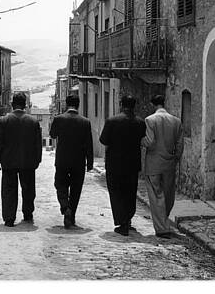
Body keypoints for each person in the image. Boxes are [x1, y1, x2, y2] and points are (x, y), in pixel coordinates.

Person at [99, 95, 146, 236]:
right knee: (130, 192)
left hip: (115, 163)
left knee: (116, 192)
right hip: (132, 164)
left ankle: (122, 222)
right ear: (134, 106)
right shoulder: (140, 122)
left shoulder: (112, 121)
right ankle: (128, 218)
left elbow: (103, 140)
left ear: (121, 104)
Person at [0, 91, 42, 227]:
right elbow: (38, 143)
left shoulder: (5, 120)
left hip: (8, 162)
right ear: (25, 105)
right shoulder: (33, 121)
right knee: (28, 189)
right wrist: (37, 160)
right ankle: (27, 213)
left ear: (12, 104)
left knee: (9, 189)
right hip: (28, 162)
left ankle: (9, 218)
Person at [141, 94, 184, 238]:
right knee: (168, 195)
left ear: (153, 105)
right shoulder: (176, 121)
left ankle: (161, 228)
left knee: (156, 195)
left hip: (153, 163)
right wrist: (175, 158)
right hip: (169, 163)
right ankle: (164, 222)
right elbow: (179, 144)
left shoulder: (150, 120)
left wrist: (142, 142)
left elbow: (150, 141)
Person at [49, 95, 93, 229]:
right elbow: (89, 144)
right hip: (78, 162)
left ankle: (65, 206)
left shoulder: (58, 119)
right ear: (78, 105)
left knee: (60, 184)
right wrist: (89, 163)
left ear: (67, 104)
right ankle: (71, 215)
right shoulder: (85, 122)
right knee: (76, 189)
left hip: (62, 160)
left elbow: (52, 135)